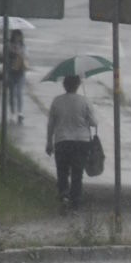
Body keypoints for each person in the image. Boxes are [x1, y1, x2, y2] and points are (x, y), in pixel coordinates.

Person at [45, 75, 97, 212]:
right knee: (77, 173)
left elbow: (51, 124)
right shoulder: (84, 101)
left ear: (64, 85)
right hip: (81, 142)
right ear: (78, 85)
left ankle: (64, 196)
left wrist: (49, 142)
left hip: (62, 141)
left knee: (62, 171)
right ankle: (75, 203)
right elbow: (94, 123)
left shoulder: (57, 101)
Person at [6, 29, 28, 123]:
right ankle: (12, 112)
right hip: (11, 71)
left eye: (19, 36)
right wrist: (12, 53)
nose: (17, 38)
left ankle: (20, 112)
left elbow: (26, 56)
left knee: (19, 92)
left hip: (21, 72)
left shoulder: (23, 46)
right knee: (12, 93)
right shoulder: (8, 46)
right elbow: (5, 58)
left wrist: (20, 54)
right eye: (16, 35)